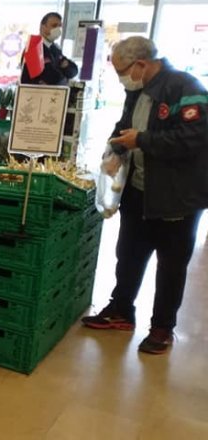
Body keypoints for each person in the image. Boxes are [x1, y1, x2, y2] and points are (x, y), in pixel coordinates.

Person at [82, 36, 208, 354]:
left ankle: (162, 327)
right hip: (138, 191)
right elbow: (125, 126)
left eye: (122, 70)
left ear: (141, 64)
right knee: (129, 254)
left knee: (170, 265)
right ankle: (121, 309)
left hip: (175, 197)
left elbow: (195, 138)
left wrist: (143, 140)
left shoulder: (184, 87)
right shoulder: (135, 91)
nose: (121, 77)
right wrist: (115, 147)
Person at [20, 12, 78, 85]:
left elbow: (73, 71)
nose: (58, 29)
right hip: (35, 94)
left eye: (60, 26)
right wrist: (65, 77)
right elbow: (53, 78)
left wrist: (64, 74)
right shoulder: (34, 47)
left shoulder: (55, 49)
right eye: (54, 26)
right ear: (43, 27)